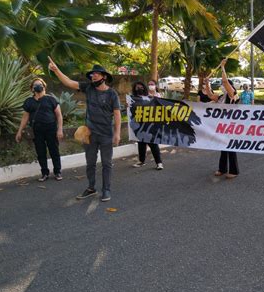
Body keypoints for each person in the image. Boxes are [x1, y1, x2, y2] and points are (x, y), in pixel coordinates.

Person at [48, 57, 121, 202]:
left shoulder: (112, 94)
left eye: (96, 74)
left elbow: (117, 114)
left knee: (106, 164)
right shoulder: (88, 88)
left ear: (104, 77)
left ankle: (106, 190)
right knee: (90, 163)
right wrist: (56, 70)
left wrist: (117, 133)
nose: (93, 76)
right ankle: (91, 188)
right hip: (90, 134)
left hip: (106, 134)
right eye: (92, 74)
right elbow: (69, 82)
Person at [15, 78, 64, 182]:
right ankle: (44, 173)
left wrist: (60, 129)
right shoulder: (29, 102)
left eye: (40, 84)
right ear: (32, 88)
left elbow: (59, 116)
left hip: (51, 128)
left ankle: (57, 172)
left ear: (44, 86)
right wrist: (19, 131)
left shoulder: (51, 99)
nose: (38, 86)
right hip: (37, 130)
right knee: (41, 152)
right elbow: (25, 118)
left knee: (54, 151)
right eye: (35, 85)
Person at [204, 59, 239, 179]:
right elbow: (209, 94)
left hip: (231, 124)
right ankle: (222, 169)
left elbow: (224, 81)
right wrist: (207, 83)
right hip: (222, 125)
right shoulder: (221, 96)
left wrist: (222, 67)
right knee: (222, 146)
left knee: (230, 148)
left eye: (224, 85)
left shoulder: (232, 94)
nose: (222, 86)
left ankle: (234, 171)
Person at [131, 81, 164, 170]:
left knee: (153, 143)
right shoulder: (132, 99)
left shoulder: (150, 98)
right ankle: (141, 161)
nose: (139, 89)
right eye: (137, 87)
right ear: (134, 89)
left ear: (144, 88)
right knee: (141, 143)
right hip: (139, 124)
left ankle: (159, 162)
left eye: (141, 87)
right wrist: (128, 105)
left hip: (150, 124)